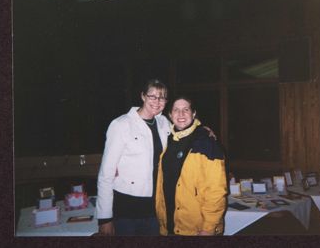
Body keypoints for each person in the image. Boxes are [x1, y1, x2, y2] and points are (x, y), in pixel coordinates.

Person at [96, 79, 170, 236]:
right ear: (143, 96)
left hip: (155, 209)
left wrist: (202, 130)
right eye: (152, 96)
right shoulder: (121, 124)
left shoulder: (164, 123)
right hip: (126, 212)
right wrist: (104, 218)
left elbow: (185, 130)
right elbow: (106, 175)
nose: (157, 101)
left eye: (162, 97)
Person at [155, 96, 227, 236]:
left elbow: (216, 191)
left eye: (186, 109)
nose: (181, 114)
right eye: (176, 110)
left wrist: (208, 228)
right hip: (168, 226)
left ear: (193, 114)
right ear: (170, 115)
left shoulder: (207, 143)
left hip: (197, 229)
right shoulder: (167, 140)